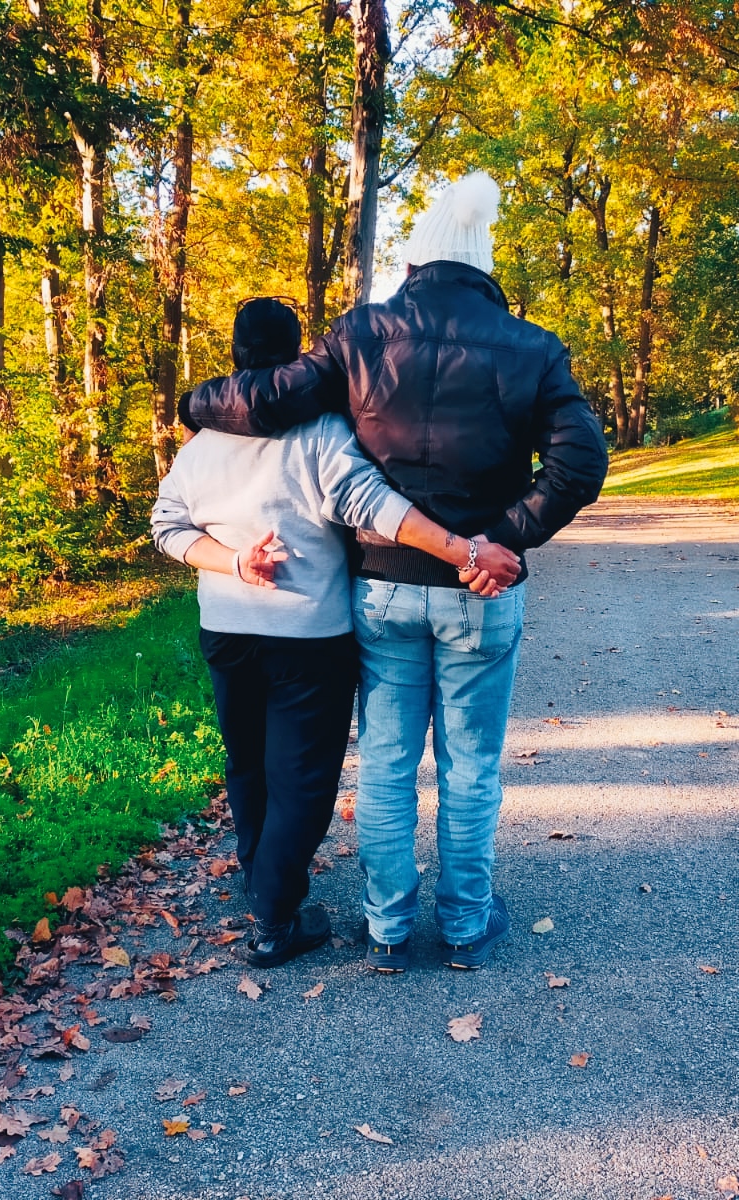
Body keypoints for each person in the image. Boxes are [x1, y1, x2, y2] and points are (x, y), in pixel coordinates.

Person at [179, 174, 608, 972]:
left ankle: (385, 930)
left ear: (415, 266)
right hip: (478, 592)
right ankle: (466, 926)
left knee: (384, 760)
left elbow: (270, 400)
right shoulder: (532, 347)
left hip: (379, 585)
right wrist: (500, 542)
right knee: (470, 764)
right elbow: (582, 462)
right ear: (485, 269)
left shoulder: (363, 334)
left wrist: (197, 402)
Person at [151, 297, 521, 969]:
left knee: (248, 766)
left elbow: (167, 528)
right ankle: (272, 920)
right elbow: (376, 508)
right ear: (297, 361)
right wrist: (463, 552)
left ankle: (266, 890)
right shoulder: (319, 432)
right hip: (307, 638)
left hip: (226, 631)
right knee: (302, 782)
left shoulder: (199, 447)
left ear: (234, 357)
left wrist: (234, 563)